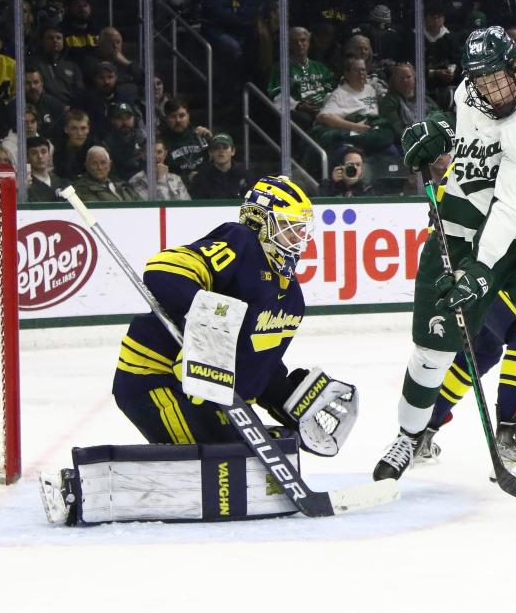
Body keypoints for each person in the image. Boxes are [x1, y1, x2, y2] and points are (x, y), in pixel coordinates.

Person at [373, 27, 516, 503]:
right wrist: (434, 135)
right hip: (456, 234)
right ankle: (409, 438)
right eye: (484, 81)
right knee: (433, 351)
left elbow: (513, 209)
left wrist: (480, 267)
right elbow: (460, 134)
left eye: (503, 79)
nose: (495, 91)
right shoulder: (466, 94)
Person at [111, 174, 352, 449]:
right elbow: (164, 271)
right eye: (288, 227)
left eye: (300, 230)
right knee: (218, 456)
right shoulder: (241, 242)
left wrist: (286, 395)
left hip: (214, 397)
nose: (299, 239)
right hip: (155, 376)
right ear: (259, 223)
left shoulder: (292, 299)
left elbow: (257, 363)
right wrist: (209, 328)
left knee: (259, 453)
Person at [265, 26, 336, 129]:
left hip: (324, 108)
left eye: (303, 40)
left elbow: (332, 91)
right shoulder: (280, 68)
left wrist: (325, 105)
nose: (299, 44)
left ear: (309, 41)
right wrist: (298, 106)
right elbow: (277, 96)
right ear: (289, 44)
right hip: (299, 111)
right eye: (294, 41)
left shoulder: (320, 68)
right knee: (306, 119)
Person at [162, 98, 212, 183]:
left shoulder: (200, 135)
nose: (178, 120)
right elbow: (161, 175)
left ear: (188, 116)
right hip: (176, 190)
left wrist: (211, 140)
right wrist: (186, 178)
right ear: (166, 118)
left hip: (205, 186)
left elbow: (216, 163)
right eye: (173, 116)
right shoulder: (161, 143)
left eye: (182, 116)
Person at [188, 133, 250, 200]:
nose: (221, 151)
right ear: (210, 153)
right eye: (216, 148)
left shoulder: (245, 175)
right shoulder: (201, 178)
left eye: (225, 147)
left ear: (233, 151)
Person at [71, 145, 137, 202]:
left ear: (110, 165)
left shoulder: (123, 185)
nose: (99, 167)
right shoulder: (80, 188)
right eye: (94, 163)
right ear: (86, 166)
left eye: (103, 163)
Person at [26, 135, 69, 202]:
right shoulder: (27, 186)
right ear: (27, 158)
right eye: (34, 153)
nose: (40, 156)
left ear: (49, 155)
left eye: (43, 152)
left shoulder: (62, 183)